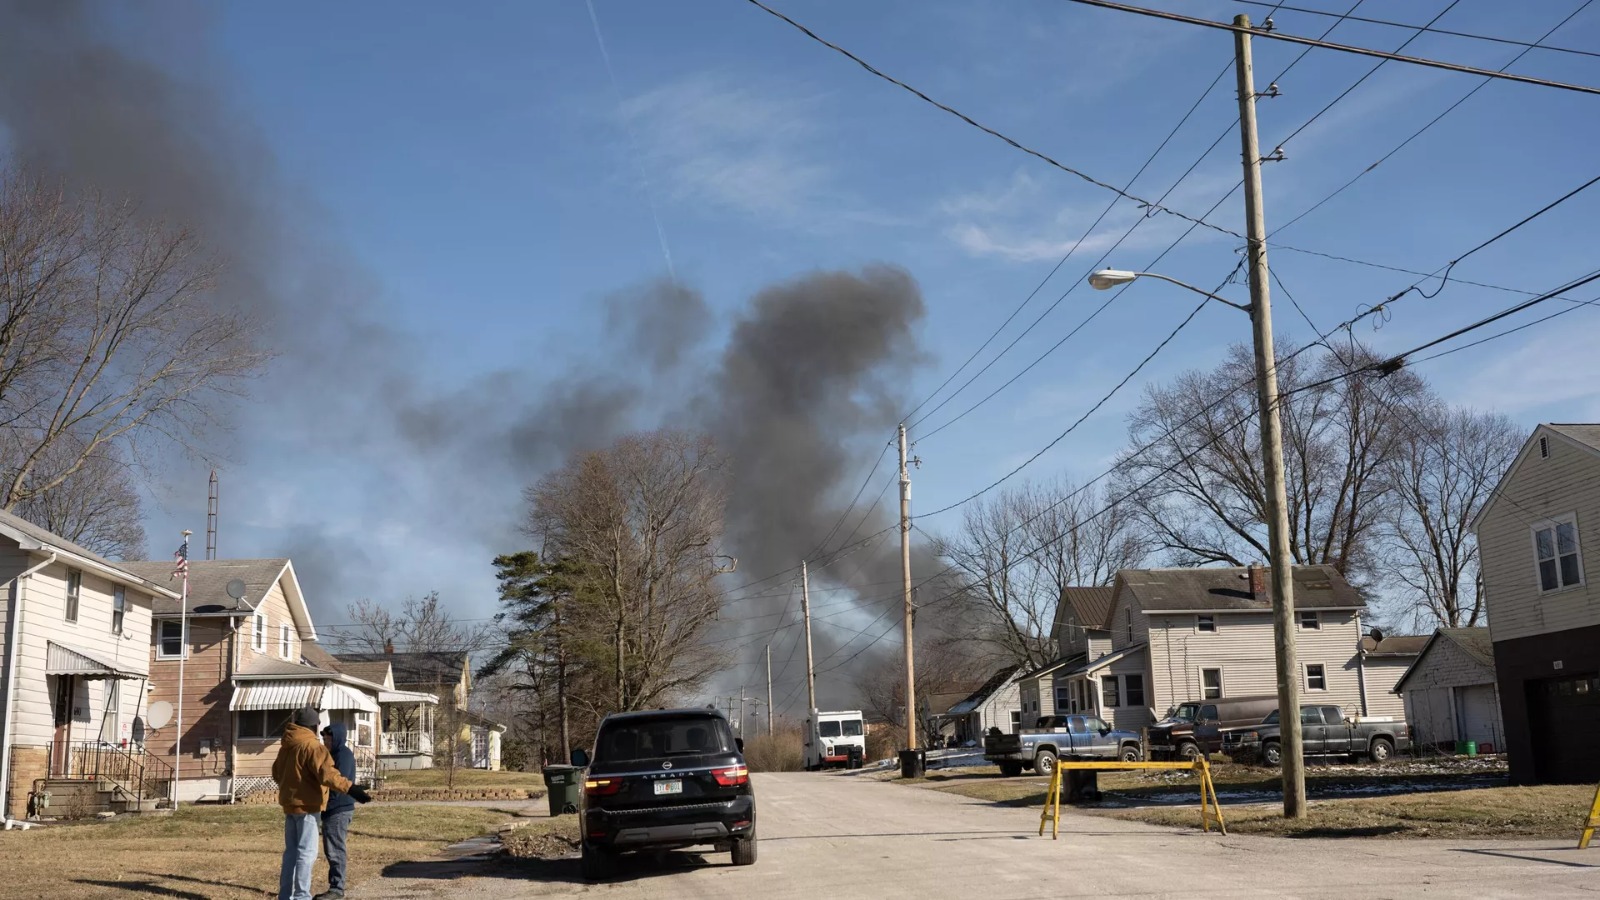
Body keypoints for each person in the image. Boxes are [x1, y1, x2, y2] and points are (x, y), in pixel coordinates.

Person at [272, 707, 370, 900]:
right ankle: (301, 896)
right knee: (306, 853)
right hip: (308, 807)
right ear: (313, 726)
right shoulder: (312, 746)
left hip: (290, 806)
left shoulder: (286, 746)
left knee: (291, 852)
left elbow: (276, 773)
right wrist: (350, 788)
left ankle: (286, 895)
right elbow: (328, 774)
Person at [317, 723, 358, 900]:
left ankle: (337, 888)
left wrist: (327, 805)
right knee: (330, 848)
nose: (326, 741)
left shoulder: (344, 755)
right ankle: (335, 885)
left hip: (339, 809)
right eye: (324, 738)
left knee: (335, 849)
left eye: (329, 738)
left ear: (338, 738)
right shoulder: (331, 755)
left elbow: (339, 784)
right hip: (332, 809)